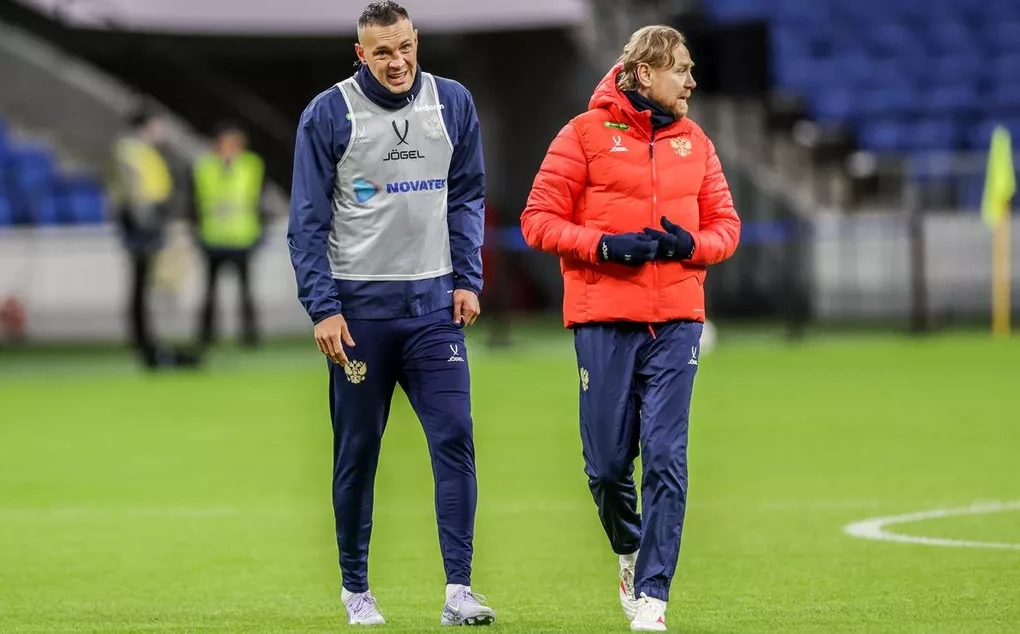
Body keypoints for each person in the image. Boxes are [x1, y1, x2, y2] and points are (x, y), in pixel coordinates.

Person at [520, 25, 741, 632]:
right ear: (645, 73)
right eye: (681, 70)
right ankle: (628, 549)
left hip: (677, 322)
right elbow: (537, 220)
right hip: (603, 320)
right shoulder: (582, 134)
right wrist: (604, 246)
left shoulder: (696, 142)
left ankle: (653, 594)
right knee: (607, 467)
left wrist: (689, 245)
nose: (692, 81)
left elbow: (726, 228)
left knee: (666, 457)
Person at [287, 1, 494, 627]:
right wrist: (323, 308)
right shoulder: (330, 113)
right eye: (382, 51)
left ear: (416, 40)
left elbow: (467, 194)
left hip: (433, 311)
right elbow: (306, 222)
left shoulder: (452, 102)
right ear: (361, 54)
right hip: (359, 318)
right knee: (357, 453)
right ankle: (357, 591)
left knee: (454, 437)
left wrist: (468, 277)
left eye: (404, 46)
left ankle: (459, 591)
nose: (397, 61)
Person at [110, 106, 200, 370]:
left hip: (147, 219)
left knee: (145, 285)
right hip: (142, 222)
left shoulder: (141, 151)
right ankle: (145, 343)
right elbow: (134, 193)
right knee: (142, 285)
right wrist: (149, 225)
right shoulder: (130, 151)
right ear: (147, 125)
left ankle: (149, 342)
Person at [187, 122, 267, 349]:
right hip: (212, 237)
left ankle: (249, 337)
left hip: (243, 237)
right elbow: (194, 202)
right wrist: (194, 233)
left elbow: (260, 201)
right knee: (210, 292)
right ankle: (206, 336)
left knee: (246, 291)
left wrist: (261, 231)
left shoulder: (252, 164)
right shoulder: (204, 166)